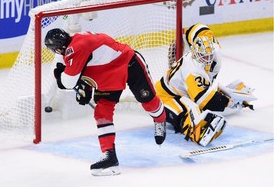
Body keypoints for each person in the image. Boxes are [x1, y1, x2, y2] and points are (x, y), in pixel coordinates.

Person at [44, 28, 167, 176]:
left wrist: (61, 78)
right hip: (107, 76)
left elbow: (69, 82)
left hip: (129, 64)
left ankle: (160, 120)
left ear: (57, 48)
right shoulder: (75, 43)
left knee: (149, 102)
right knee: (102, 112)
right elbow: (88, 65)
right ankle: (109, 155)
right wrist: (86, 88)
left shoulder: (76, 47)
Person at [155, 23, 257, 147]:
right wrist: (228, 102)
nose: (208, 58)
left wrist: (185, 35)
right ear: (195, 54)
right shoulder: (192, 69)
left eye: (209, 55)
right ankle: (196, 132)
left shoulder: (213, 47)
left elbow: (199, 28)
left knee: (206, 99)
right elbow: (206, 101)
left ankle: (235, 92)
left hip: (190, 91)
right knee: (182, 115)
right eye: (203, 56)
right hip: (166, 96)